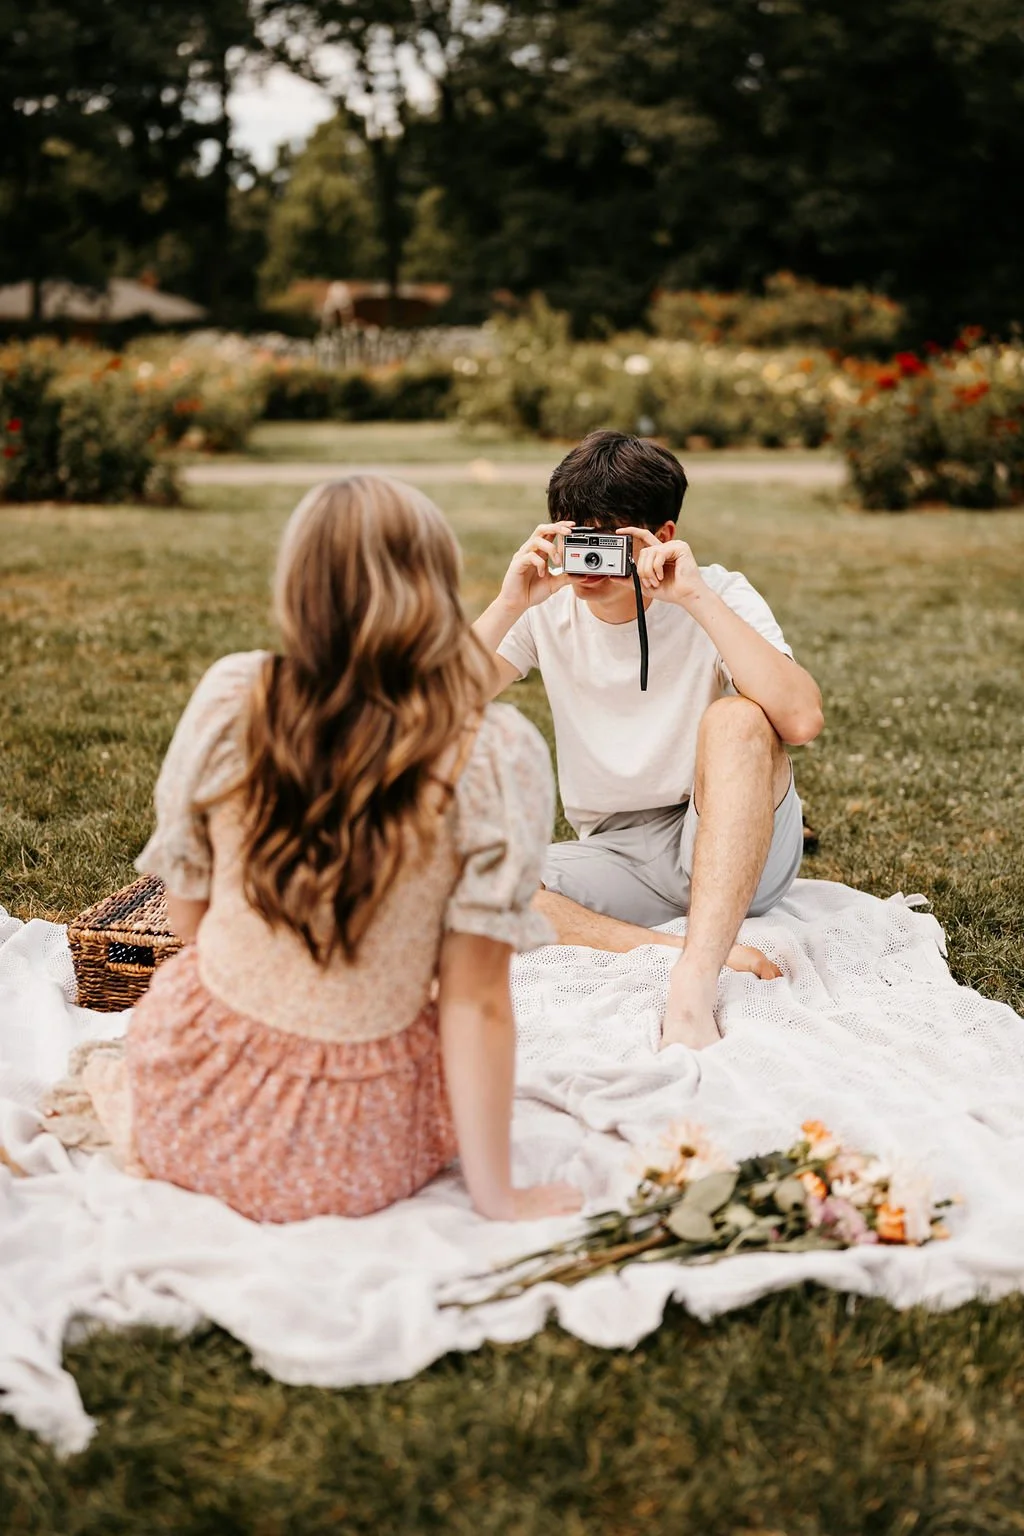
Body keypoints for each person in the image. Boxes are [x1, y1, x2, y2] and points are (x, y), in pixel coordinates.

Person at [126, 476, 581, 1224]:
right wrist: (498, 1196)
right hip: (357, 1147)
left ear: (296, 584)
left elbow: (187, 919)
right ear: (435, 584)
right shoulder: (493, 756)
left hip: (193, 1100)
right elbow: (476, 1000)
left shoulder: (233, 696)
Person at [473, 431, 825, 1052]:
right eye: (574, 536)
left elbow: (799, 720)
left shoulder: (715, 590)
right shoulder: (545, 608)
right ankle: (675, 949)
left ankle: (694, 981)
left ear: (661, 536)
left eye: (605, 540)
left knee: (738, 719)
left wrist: (692, 597)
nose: (589, 560)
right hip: (618, 852)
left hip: (728, 833)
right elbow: (424, 710)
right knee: (468, 877)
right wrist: (507, 606)